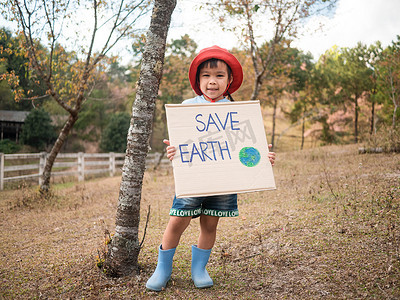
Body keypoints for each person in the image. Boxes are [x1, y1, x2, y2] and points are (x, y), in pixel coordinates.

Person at [146, 45, 276, 291]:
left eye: (219, 76)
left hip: (224, 181)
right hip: (193, 179)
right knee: (177, 221)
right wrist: (173, 151)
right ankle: (162, 269)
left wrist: (262, 157)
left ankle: (199, 269)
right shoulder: (187, 106)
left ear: (229, 81)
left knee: (210, 223)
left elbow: (247, 149)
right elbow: (181, 144)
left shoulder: (237, 112)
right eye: (206, 75)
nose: (212, 81)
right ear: (198, 81)